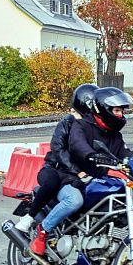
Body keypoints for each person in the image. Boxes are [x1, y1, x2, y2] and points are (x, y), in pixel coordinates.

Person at [29, 85, 133, 258]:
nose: (120, 115)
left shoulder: (115, 136)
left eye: (122, 111)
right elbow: (77, 145)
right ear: (104, 109)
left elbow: (127, 155)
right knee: (74, 200)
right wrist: (92, 155)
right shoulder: (80, 126)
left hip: (92, 178)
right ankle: (43, 232)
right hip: (67, 175)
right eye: (117, 110)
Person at [15, 86, 99, 233]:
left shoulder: (94, 127)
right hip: (55, 168)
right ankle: (29, 217)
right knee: (52, 182)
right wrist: (77, 171)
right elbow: (58, 148)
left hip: (72, 176)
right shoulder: (67, 123)